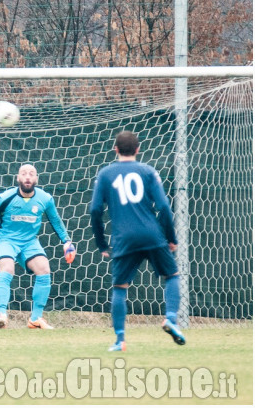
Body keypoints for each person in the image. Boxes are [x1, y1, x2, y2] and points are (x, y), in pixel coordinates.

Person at [90, 130, 185, 352]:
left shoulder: (105, 174)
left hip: (124, 238)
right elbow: (163, 208)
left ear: (115, 150)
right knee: (171, 276)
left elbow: (95, 210)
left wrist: (102, 244)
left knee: (120, 288)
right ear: (137, 149)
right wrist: (171, 238)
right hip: (152, 234)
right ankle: (170, 318)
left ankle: (120, 340)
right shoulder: (148, 171)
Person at [0, 164, 76, 329]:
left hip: (29, 242)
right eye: (24, 173)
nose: (28, 177)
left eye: (31, 174)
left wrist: (67, 242)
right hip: (6, 240)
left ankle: (35, 319)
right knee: (7, 268)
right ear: (18, 178)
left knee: (44, 270)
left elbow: (55, 221)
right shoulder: (5, 197)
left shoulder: (45, 199)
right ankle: (2, 315)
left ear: (36, 179)